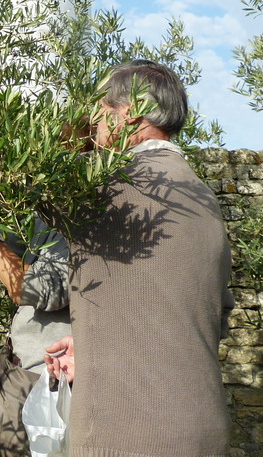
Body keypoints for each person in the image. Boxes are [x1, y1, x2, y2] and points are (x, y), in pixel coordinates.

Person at [45, 60, 234, 457]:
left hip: (128, 433)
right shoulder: (203, 197)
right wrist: (96, 346)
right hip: (203, 428)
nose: (93, 125)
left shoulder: (103, 187)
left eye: (99, 112)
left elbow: (6, 177)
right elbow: (193, 314)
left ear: (128, 114)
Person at [0, 216, 70, 457]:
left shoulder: (73, 225)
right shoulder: (36, 215)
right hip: (18, 367)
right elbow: (0, 259)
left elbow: (30, 289)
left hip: (45, 377)